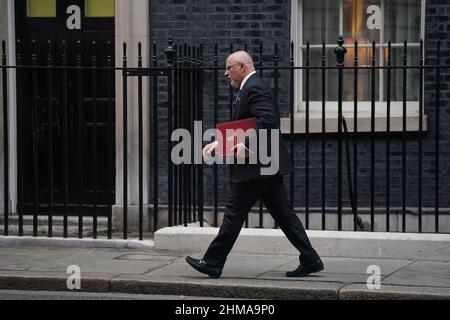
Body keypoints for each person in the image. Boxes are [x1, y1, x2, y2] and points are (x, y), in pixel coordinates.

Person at [185, 51, 323, 279]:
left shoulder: (254, 87)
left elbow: (267, 121)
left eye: (229, 67)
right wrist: (218, 144)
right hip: (266, 165)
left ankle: (213, 261)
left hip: (257, 166)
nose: (225, 72)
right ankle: (310, 258)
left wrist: (247, 147)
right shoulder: (249, 88)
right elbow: (246, 125)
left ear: (242, 66)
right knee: (284, 213)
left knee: (233, 212)